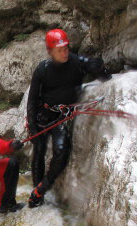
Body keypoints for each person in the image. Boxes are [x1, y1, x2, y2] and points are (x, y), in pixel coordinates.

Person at [26, 28, 111, 208]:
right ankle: (36, 192)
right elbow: (32, 99)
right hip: (44, 114)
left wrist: (100, 69)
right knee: (39, 149)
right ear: (50, 51)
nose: (64, 52)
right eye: (60, 50)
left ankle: (41, 188)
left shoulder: (76, 62)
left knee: (61, 150)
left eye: (66, 48)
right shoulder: (42, 70)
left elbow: (95, 68)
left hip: (62, 117)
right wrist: (32, 126)